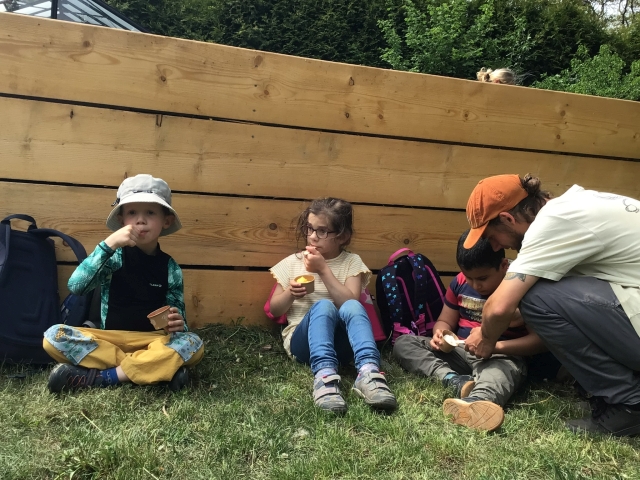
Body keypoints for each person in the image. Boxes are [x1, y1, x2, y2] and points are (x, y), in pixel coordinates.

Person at [463, 173, 640, 437]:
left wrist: (487, 340)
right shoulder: (576, 206)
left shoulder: (551, 223)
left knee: (534, 297)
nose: (497, 247)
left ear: (508, 219)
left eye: (492, 237)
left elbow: (498, 307)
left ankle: (629, 404)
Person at [43, 174, 204, 393]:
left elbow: (179, 323)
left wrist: (177, 324)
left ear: (166, 221)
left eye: (150, 212)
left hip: (150, 340)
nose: (140, 220)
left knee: (193, 344)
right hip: (108, 340)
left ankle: (103, 377)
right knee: (53, 337)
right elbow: (76, 286)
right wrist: (109, 244)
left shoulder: (170, 268)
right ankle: (153, 369)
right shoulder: (112, 257)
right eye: (132, 213)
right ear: (122, 221)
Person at [393, 230, 548, 431]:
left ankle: (477, 402)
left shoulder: (517, 289)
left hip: (501, 356)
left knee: (499, 374)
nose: (476, 285)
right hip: (461, 351)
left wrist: (494, 347)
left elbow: (538, 342)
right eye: (469, 277)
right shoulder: (459, 283)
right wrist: (441, 334)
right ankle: (453, 380)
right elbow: (444, 321)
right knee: (404, 343)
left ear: (503, 266)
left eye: (482, 278)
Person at [268, 197, 397, 414]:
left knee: (353, 306)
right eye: (309, 228)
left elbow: (349, 301)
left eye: (322, 231)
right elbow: (274, 310)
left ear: (342, 236)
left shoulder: (351, 263)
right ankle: (324, 376)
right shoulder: (294, 262)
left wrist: (323, 270)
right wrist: (290, 293)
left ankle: (369, 372)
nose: (312, 236)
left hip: (343, 346)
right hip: (304, 345)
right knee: (324, 307)